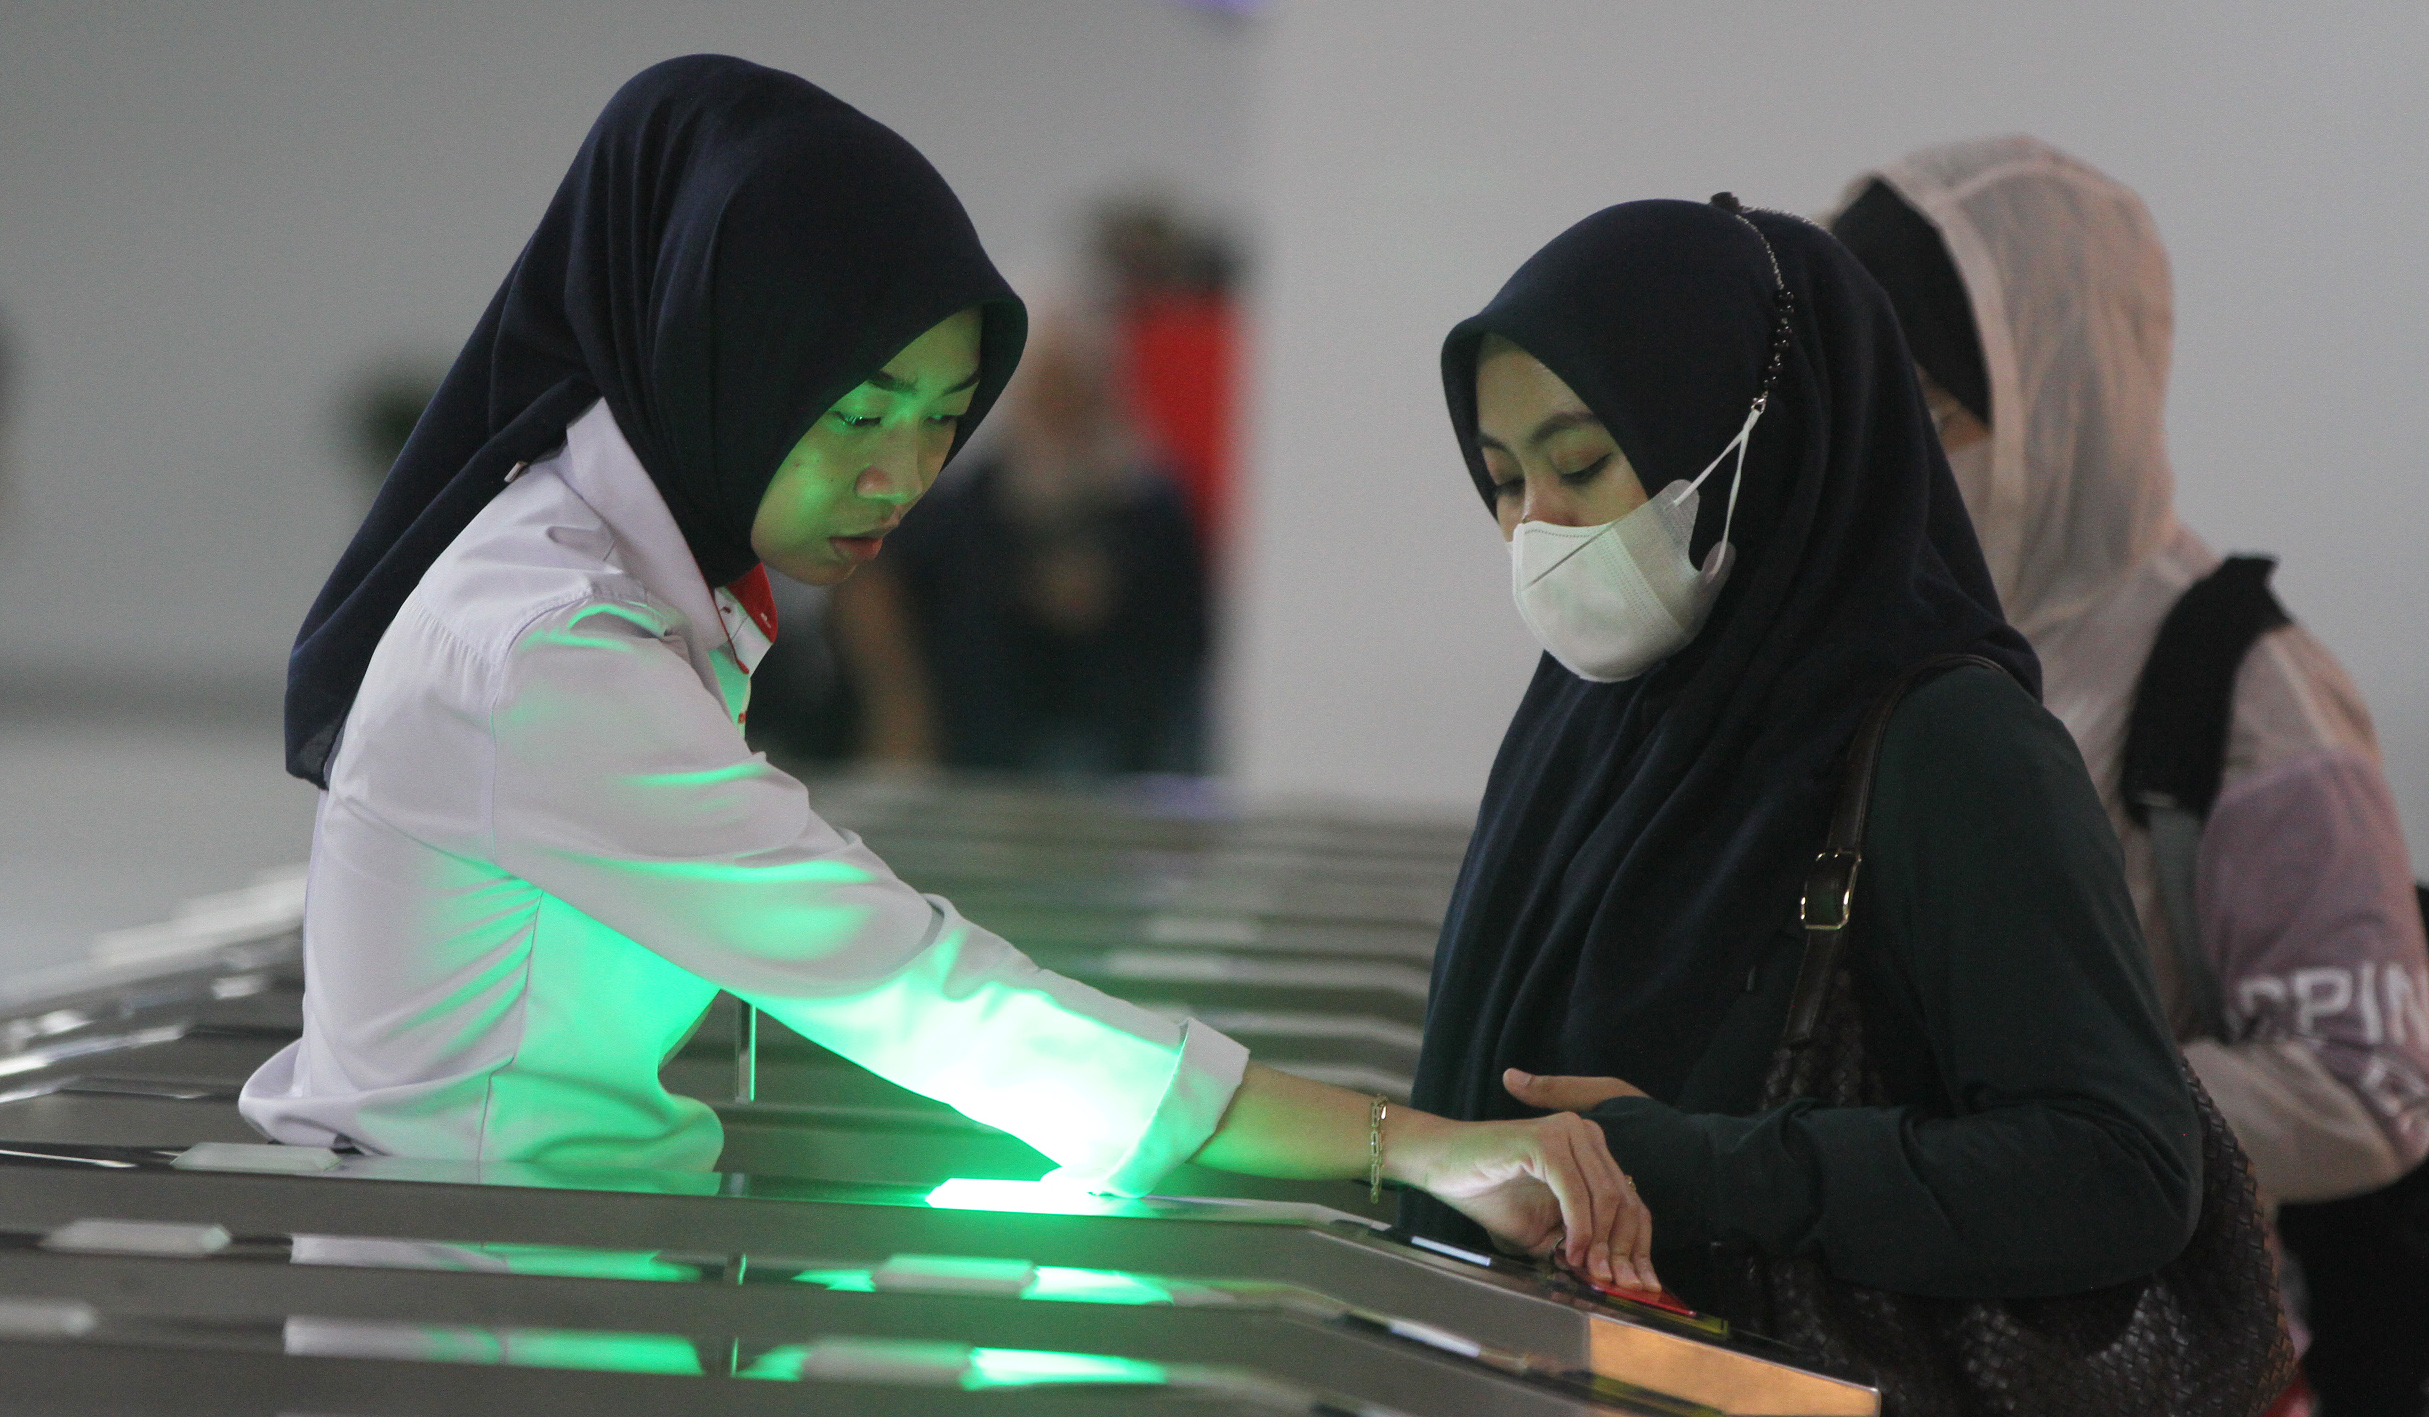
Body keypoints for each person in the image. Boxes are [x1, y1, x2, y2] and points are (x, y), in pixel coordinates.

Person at [241, 56, 1646, 1286]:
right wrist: (1405, 1146)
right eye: (857, 412)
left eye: (938, 420)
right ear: (724, 360)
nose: (902, 477)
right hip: (469, 1312)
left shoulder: (603, 576)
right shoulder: (546, 645)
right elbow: (914, 989)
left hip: (541, 1272)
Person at [1404, 196, 2206, 1315]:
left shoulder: (1951, 745)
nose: (1536, 527)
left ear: (1748, 438)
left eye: (1582, 463)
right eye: (1501, 479)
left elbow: (2122, 1169)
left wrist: (1701, 1166)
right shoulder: (1585, 721)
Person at [1826, 136, 2429, 1209]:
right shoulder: (1863, 632)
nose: (1884, 454)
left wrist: (2044, 1115)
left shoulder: (2243, 692)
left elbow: (2364, 1084)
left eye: (1920, 403)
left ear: (2060, 402)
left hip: (2103, 1346)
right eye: (1856, 401)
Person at [821, 313, 1208, 774]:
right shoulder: (967, 503)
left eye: (1074, 389)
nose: (1061, 407)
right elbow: (873, 584)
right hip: (981, 758)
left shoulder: (1150, 510)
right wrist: (900, 704)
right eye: (1048, 390)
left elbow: (1187, 643)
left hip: (1119, 761)